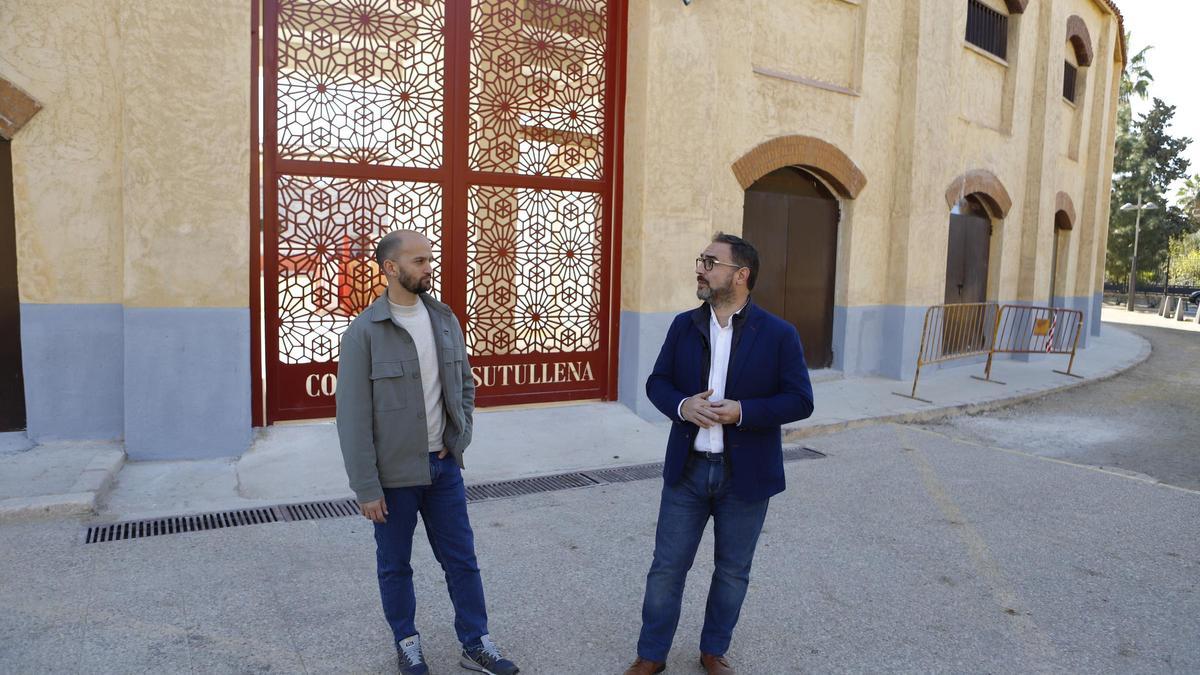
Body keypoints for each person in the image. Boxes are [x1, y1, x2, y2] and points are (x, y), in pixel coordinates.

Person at [625, 233, 815, 675]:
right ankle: (651, 655)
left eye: (711, 262)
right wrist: (682, 405)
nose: (701, 268)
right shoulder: (684, 325)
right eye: (701, 260)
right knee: (666, 569)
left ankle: (713, 651)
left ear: (741, 275)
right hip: (688, 470)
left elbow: (800, 400)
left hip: (745, 476)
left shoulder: (779, 334)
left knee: (732, 571)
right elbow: (657, 382)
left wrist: (743, 412)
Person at [336, 230, 519, 675]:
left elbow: (465, 385)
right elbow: (353, 419)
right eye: (418, 261)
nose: (428, 267)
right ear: (390, 268)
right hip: (393, 479)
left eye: (428, 259)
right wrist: (366, 486)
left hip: (443, 467)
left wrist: (461, 437)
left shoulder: (444, 319)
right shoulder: (364, 332)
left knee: (462, 559)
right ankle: (407, 642)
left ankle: (475, 642)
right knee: (395, 565)